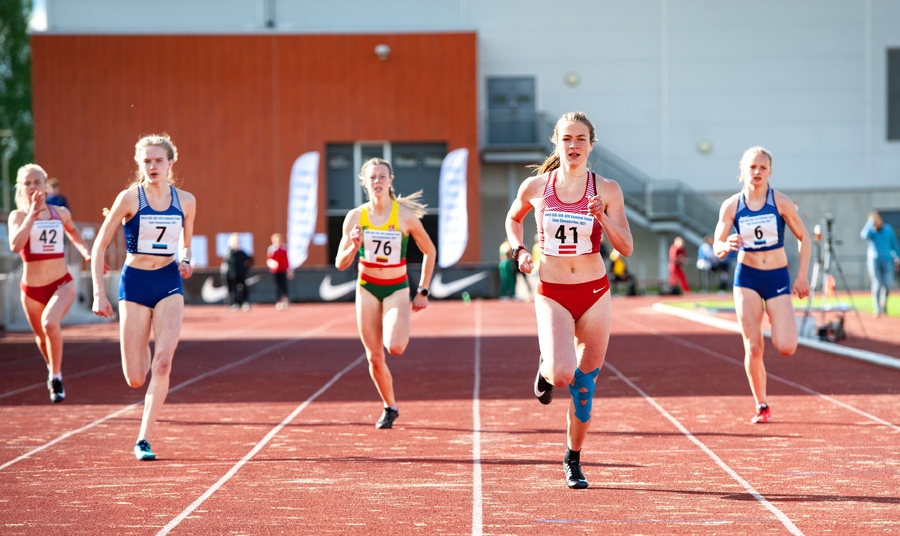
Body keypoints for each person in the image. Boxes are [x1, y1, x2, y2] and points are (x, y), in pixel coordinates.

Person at [505, 111, 633, 489]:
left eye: (580, 139)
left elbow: (625, 247)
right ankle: (546, 367)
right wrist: (519, 251)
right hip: (552, 292)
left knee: (583, 388)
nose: (573, 146)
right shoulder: (536, 187)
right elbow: (513, 220)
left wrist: (604, 219)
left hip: (594, 294)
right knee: (561, 373)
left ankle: (572, 459)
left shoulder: (606, 189)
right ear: (556, 144)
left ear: (591, 145)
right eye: (567, 139)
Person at [91, 134, 196, 460]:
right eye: (147, 161)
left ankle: (144, 439)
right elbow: (99, 246)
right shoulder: (129, 198)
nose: (153, 166)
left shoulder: (187, 200)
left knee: (163, 362)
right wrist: (99, 293)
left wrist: (186, 259)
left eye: (159, 160)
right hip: (134, 284)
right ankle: (146, 355)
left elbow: (186, 242)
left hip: (168, 282)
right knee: (136, 377)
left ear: (170, 163)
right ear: (140, 164)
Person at [335, 157, 436, 429]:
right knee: (374, 357)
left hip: (396, 289)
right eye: (372, 177)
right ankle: (390, 406)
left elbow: (430, 251)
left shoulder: (404, 215)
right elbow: (340, 263)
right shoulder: (356, 217)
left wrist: (423, 290)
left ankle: (390, 404)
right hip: (366, 287)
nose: (377, 182)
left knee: (395, 347)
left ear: (390, 181)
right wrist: (354, 245)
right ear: (364, 183)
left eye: (382, 177)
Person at [713, 146, 810, 424]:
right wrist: (725, 244)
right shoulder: (732, 205)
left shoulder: (780, 202)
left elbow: (806, 238)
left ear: (769, 171)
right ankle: (762, 404)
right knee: (754, 347)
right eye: (752, 167)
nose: (757, 172)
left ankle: (775, 316)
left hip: (777, 277)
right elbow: (716, 245)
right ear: (742, 170)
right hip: (747, 279)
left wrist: (802, 276)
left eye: (762, 168)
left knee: (786, 346)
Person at [8, 164, 94, 403]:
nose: (33, 187)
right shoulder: (18, 216)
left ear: (46, 186)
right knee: (41, 336)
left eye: (37, 182)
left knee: (50, 323)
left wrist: (87, 253)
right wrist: (32, 215)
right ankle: (53, 369)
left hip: (61, 283)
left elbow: (74, 232)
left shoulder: (60, 213)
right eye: (27, 183)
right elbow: (15, 246)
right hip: (32, 290)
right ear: (21, 188)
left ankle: (55, 377)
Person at [860, 211, 900, 317]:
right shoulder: (872, 232)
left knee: (887, 284)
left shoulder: (888, 229)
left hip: (887, 260)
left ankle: (884, 306)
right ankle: (877, 309)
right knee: (877, 284)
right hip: (874, 260)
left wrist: (898, 257)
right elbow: (863, 235)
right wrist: (870, 222)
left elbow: (894, 244)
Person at [225, 233, 254, 311]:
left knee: (244, 288)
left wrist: (247, 266)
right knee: (233, 290)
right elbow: (229, 263)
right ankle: (233, 303)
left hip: (242, 273)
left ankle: (245, 302)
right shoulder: (230, 253)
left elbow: (250, 261)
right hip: (232, 274)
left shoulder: (242, 252)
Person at [267, 233, 293, 310]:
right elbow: (269, 259)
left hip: (283, 269)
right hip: (275, 270)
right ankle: (278, 300)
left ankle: (285, 299)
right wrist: (272, 264)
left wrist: (289, 270)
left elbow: (288, 259)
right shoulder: (271, 249)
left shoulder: (285, 248)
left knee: (284, 285)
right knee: (277, 286)